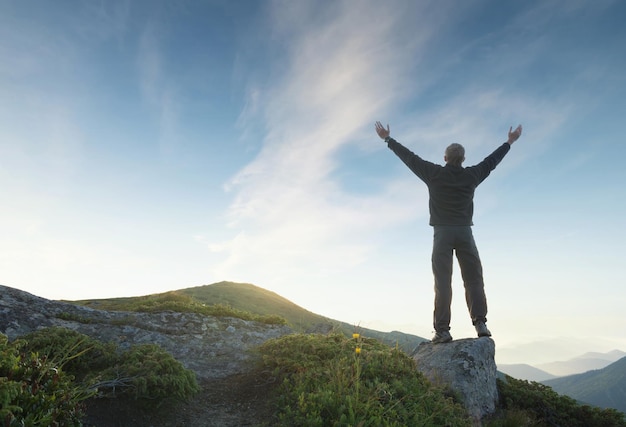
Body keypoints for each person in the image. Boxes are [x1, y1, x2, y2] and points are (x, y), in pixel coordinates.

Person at [375, 121, 522, 343]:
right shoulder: (472, 175)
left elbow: (410, 158)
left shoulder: (433, 174)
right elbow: (491, 162)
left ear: (445, 158)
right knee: (473, 279)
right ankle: (480, 323)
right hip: (464, 234)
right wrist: (509, 142)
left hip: (442, 234)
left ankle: (442, 330)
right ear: (463, 159)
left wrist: (388, 139)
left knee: (443, 282)